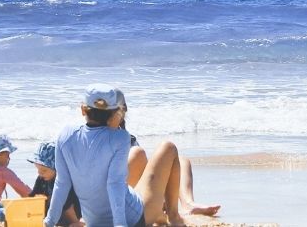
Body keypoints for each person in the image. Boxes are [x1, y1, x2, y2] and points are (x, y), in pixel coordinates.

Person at [45, 84, 187, 227]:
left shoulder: (65, 135)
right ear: (115, 113)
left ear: (83, 110)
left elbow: (62, 183)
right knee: (168, 148)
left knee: (136, 154)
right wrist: (120, 225)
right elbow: (115, 184)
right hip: (134, 219)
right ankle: (174, 217)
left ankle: (160, 215)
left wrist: (49, 222)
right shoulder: (119, 138)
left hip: (94, 221)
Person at [114, 91, 221, 217]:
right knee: (140, 155)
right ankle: (169, 210)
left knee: (181, 160)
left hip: (134, 189)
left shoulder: (128, 138)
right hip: (121, 196)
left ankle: (188, 203)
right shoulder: (99, 140)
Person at [29, 141, 83, 227]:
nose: (40, 173)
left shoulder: (65, 182)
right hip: (55, 213)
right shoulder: (41, 179)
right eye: (38, 169)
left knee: (60, 198)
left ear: (57, 168)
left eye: (44, 170)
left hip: (73, 211)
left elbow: (69, 204)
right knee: (40, 200)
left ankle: (77, 222)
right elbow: (32, 197)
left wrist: (76, 221)